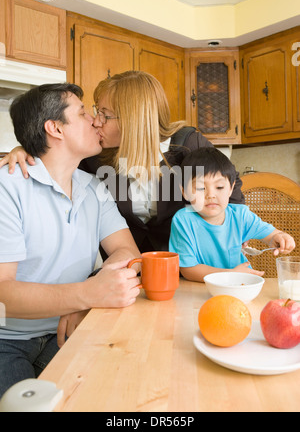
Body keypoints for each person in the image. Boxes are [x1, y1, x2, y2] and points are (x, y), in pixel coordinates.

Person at [0, 71, 245, 255]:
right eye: (95, 112)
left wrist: (232, 242)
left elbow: (230, 193)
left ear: (133, 120)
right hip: (126, 263)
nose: (96, 121)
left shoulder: (186, 145)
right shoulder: (96, 157)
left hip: (190, 259)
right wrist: (23, 147)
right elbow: (57, 154)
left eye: (104, 114)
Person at [0, 83, 140, 398]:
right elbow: (2, 293)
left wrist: (88, 298)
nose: (94, 120)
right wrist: (85, 295)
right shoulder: (7, 187)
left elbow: (126, 250)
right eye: (82, 112)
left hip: (68, 332)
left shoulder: (94, 187)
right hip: (5, 339)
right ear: (55, 129)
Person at [169, 148, 296, 282]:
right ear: (185, 192)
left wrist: (280, 238)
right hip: (199, 289)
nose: (211, 195)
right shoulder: (182, 220)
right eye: (201, 188)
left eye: (219, 187)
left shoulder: (240, 215)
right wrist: (230, 274)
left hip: (240, 285)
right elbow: (188, 270)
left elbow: (271, 235)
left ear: (231, 188)